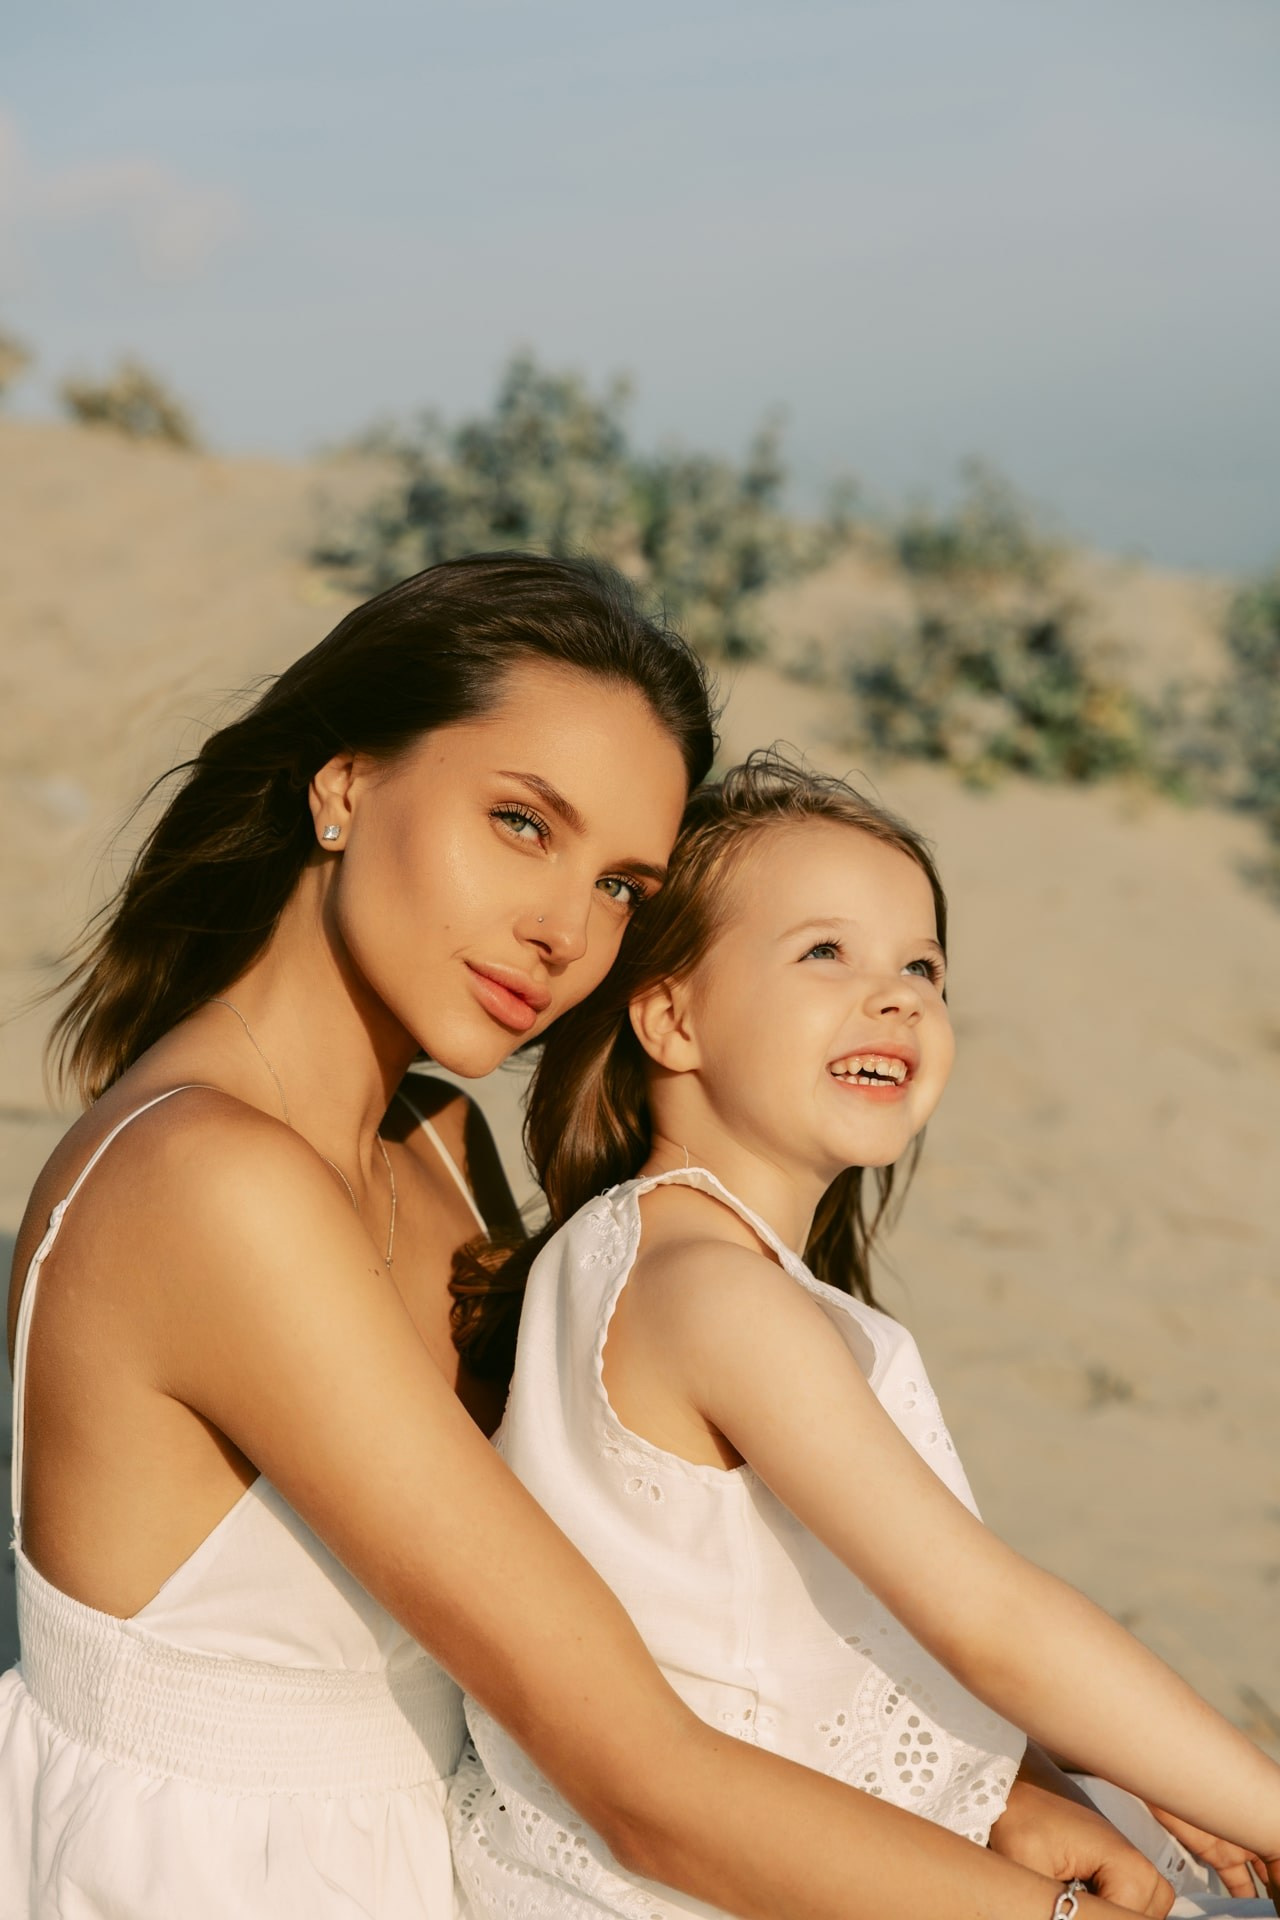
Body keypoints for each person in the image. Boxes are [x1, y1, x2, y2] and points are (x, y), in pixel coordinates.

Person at [0, 553, 1158, 1920]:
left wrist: (988, 1794)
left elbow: (639, 1613)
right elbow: (637, 1776)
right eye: (520, 823)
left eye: (620, 884)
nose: (561, 929)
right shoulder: (207, 1181)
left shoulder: (433, 1141)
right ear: (345, 785)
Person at [447, 750, 1280, 1920]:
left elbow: (855, 1621)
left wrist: (1082, 1768)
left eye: (921, 965)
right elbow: (988, 1619)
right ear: (671, 1015)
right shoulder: (707, 1290)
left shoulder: (685, 1263)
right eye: (823, 952)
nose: (895, 996)